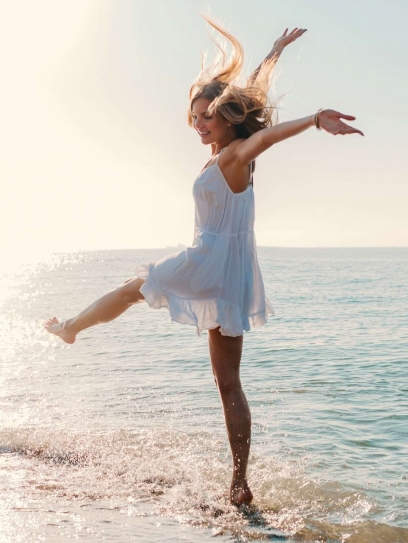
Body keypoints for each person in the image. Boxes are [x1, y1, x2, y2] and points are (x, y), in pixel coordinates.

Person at [45, 17, 362, 506]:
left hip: (210, 258)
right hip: (233, 273)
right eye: (194, 117)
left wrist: (315, 118)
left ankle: (70, 328)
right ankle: (239, 484)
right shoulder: (227, 152)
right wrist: (274, 51)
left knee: (138, 286)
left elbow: (267, 136)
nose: (198, 124)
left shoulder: (236, 154)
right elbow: (252, 95)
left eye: (206, 118)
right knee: (227, 382)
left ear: (228, 119)